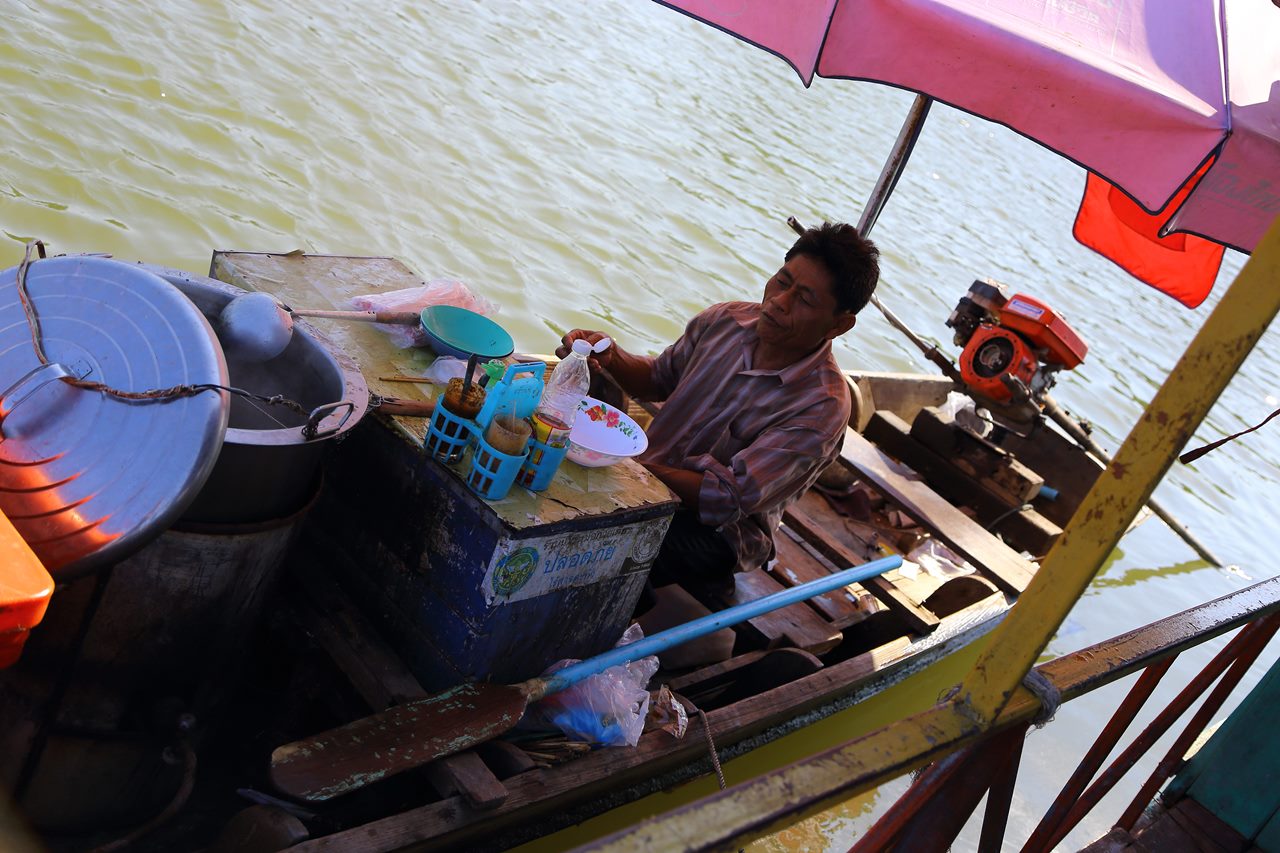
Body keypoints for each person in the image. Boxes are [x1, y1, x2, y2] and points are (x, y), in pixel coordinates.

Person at [559, 221, 880, 604]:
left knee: (605, 553)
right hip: (646, 474)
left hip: (716, 529)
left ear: (840, 324)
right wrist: (611, 357)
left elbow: (724, 499)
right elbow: (659, 378)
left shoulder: (822, 406)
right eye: (782, 280)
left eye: (806, 300)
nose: (780, 301)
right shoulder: (726, 321)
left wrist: (632, 464)